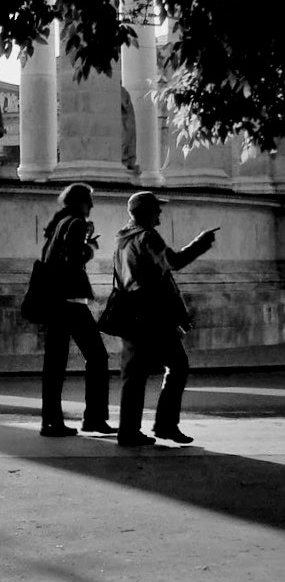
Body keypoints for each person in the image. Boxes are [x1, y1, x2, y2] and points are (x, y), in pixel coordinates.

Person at [112, 192, 218, 447]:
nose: (159, 214)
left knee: (134, 375)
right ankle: (165, 425)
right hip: (153, 315)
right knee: (178, 366)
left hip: (130, 312)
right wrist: (201, 243)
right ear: (146, 212)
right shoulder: (147, 236)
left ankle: (129, 431)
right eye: (156, 210)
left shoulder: (123, 239)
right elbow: (174, 261)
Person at [37, 183, 112, 437]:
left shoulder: (58, 223)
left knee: (55, 363)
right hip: (70, 302)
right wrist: (90, 248)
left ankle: (50, 421)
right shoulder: (77, 223)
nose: (92, 206)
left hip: (53, 301)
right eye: (89, 201)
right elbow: (74, 258)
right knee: (98, 357)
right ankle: (94, 417)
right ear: (81, 202)